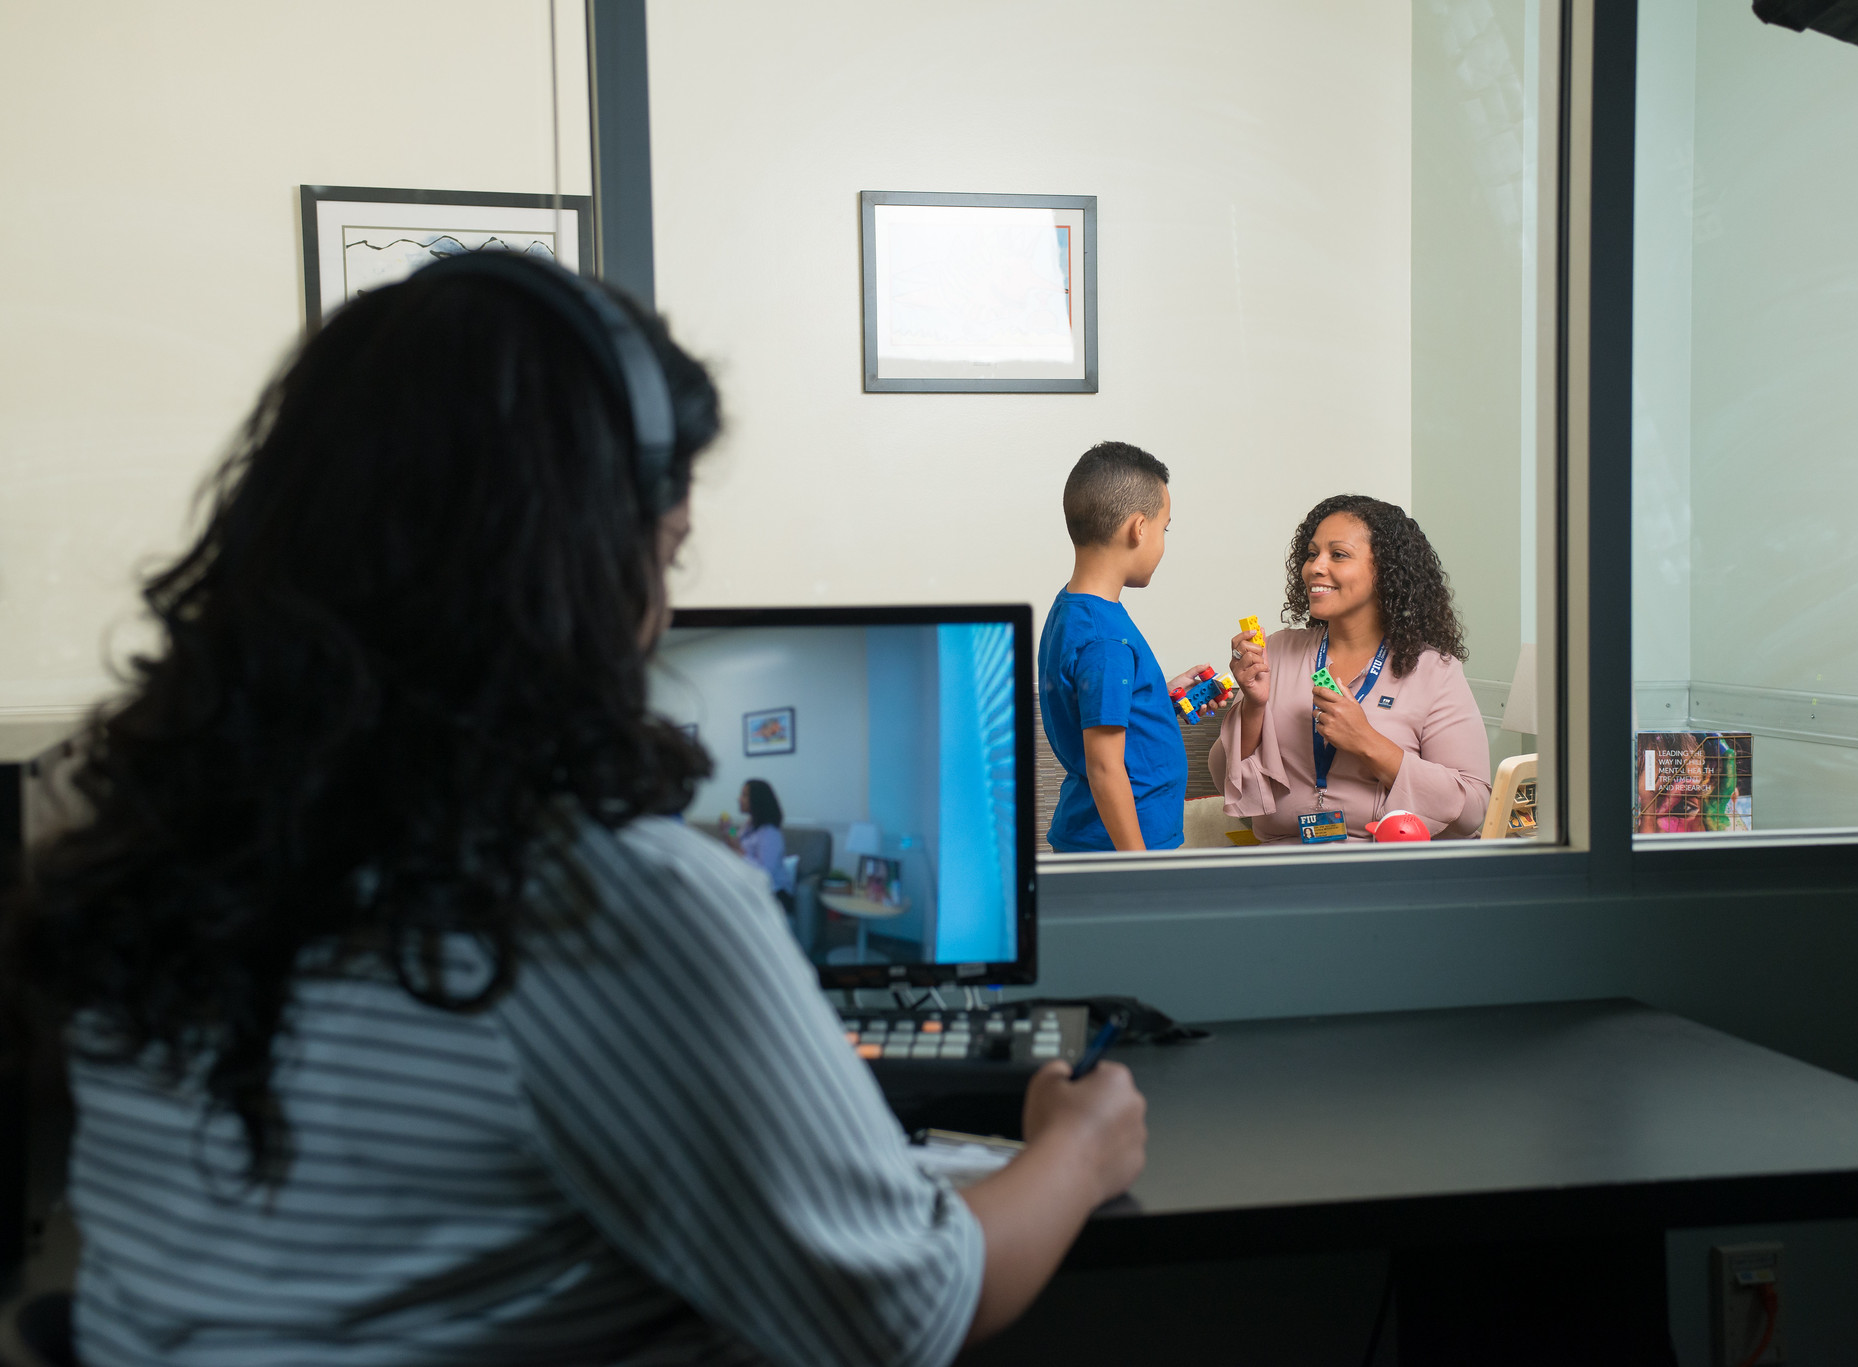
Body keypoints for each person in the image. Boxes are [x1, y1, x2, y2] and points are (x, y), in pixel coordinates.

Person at [0, 254, 1146, 1367]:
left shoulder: (137, 826)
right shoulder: (607, 894)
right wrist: (1076, 1148)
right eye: (666, 551)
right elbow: (905, 1312)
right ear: (579, 564)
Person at [1211, 494, 1492, 842]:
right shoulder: (1277, 652)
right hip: (1283, 868)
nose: (1315, 566)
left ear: (1386, 571)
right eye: (1312, 553)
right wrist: (1253, 707)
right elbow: (1226, 780)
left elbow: (1471, 810)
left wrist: (1367, 742)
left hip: (1381, 873)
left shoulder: (1435, 671)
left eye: (1338, 554)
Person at [1038, 441, 1218, 853]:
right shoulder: (1105, 639)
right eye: (1164, 528)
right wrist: (1138, 869)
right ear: (1139, 529)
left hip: (1101, 840)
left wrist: (1158, 699)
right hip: (1121, 848)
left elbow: (1096, 705)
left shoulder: (1073, 609)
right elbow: (1104, 767)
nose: (1162, 541)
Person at [728, 777, 795, 915]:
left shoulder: (770, 833)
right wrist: (729, 829)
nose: (739, 799)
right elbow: (737, 840)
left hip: (774, 893)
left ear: (757, 800)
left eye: (744, 795)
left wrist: (738, 851)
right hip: (751, 886)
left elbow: (764, 873)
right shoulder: (750, 824)